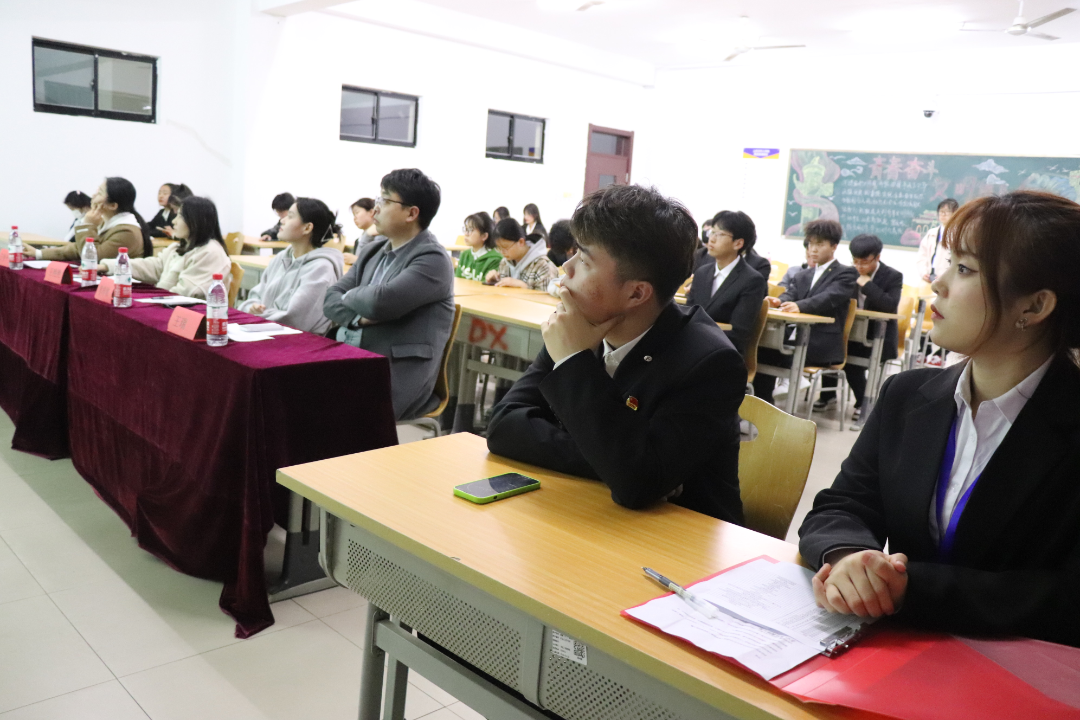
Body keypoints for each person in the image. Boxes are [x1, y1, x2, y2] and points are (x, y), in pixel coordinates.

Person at [799, 191, 1080, 648]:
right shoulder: (908, 395)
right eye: (948, 263)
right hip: (895, 652)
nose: (937, 283)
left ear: (1033, 306)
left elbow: (1067, 598)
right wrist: (851, 558)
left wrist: (909, 589)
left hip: (1017, 669)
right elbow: (842, 505)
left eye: (964, 269)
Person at [486, 184, 746, 524]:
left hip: (680, 539)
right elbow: (503, 426)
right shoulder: (580, 325)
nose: (567, 268)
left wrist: (574, 361)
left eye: (584, 259)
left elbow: (636, 485)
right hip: (594, 516)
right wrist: (610, 462)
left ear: (637, 293)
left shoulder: (710, 363)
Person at [323, 168, 454, 421]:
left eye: (384, 201)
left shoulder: (432, 258)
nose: (375, 209)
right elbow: (330, 298)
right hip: (351, 358)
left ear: (411, 213)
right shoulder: (373, 251)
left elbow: (379, 302)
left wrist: (350, 297)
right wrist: (357, 317)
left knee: (312, 408)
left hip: (394, 373)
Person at [752, 218, 858, 405]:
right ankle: (764, 406)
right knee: (761, 350)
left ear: (834, 246)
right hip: (795, 338)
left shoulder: (846, 273)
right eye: (810, 244)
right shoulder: (803, 274)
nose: (813, 249)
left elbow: (830, 297)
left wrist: (800, 306)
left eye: (820, 244)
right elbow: (791, 293)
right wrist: (779, 300)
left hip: (821, 343)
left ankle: (785, 387)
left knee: (776, 353)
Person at [238, 198, 344, 335]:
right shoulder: (281, 258)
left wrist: (258, 315)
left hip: (301, 341)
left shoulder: (321, 269)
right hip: (265, 332)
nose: (282, 220)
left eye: (290, 216)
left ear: (307, 228)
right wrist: (251, 308)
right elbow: (254, 296)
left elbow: (294, 320)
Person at [100, 196, 231, 299]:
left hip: (190, 314)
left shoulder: (210, 252)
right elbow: (154, 266)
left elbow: (185, 292)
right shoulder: (178, 247)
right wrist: (108, 266)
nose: (174, 221)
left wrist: (152, 299)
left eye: (180, 216)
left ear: (196, 221)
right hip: (167, 304)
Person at [686, 210, 769, 358]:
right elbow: (688, 314)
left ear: (738, 243)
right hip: (693, 348)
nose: (711, 239)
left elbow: (739, 332)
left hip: (723, 354)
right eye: (712, 232)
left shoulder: (752, 280)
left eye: (719, 234)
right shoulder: (702, 273)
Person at [840, 234, 903, 421]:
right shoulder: (848, 273)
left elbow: (889, 305)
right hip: (852, 335)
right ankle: (832, 397)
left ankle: (864, 403)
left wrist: (867, 284)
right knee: (836, 349)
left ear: (877, 257)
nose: (859, 267)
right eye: (855, 261)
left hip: (879, 338)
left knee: (852, 363)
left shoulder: (893, 276)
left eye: (865, 262)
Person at [38, 177, 150, 262]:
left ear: (112, 206)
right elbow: (77, 248)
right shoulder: (105, 222)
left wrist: (87, 225)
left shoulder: (126, 232)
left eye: (99, 193)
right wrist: (38, 253)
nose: (93, 195)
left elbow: (92, 258)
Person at [485, 219, 558, 291]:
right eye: (499, 248)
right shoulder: (505, 262)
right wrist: (496, 281)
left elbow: (547, 296)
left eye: (505, 247)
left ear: (521, 242)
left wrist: (522, 285)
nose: (502, 252)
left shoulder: (543, 265)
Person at [916, 198, 958, 283]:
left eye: (947, 211)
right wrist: (923, 273)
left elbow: (958, 261)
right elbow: (922, 255)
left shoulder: (959, 235)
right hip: (929, 279)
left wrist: (945, 276)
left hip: (948, 281)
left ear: (955, 214)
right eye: (941, 211)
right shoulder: (931, 233)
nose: (943, 214)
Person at [455, 212, 502, 282]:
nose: (466, 234)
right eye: (466, 229)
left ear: (484, 236)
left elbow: (486, 285)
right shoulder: (464, 255)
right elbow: (458, 281)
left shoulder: (495, 259)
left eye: (470, 230)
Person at [344, 198, 377, 264]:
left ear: (371, 212)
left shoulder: (381, 235)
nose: (355, 218)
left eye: (357, 212)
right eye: (353, 215)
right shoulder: (358, 240)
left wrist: (356, 260)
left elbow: (378, 262)